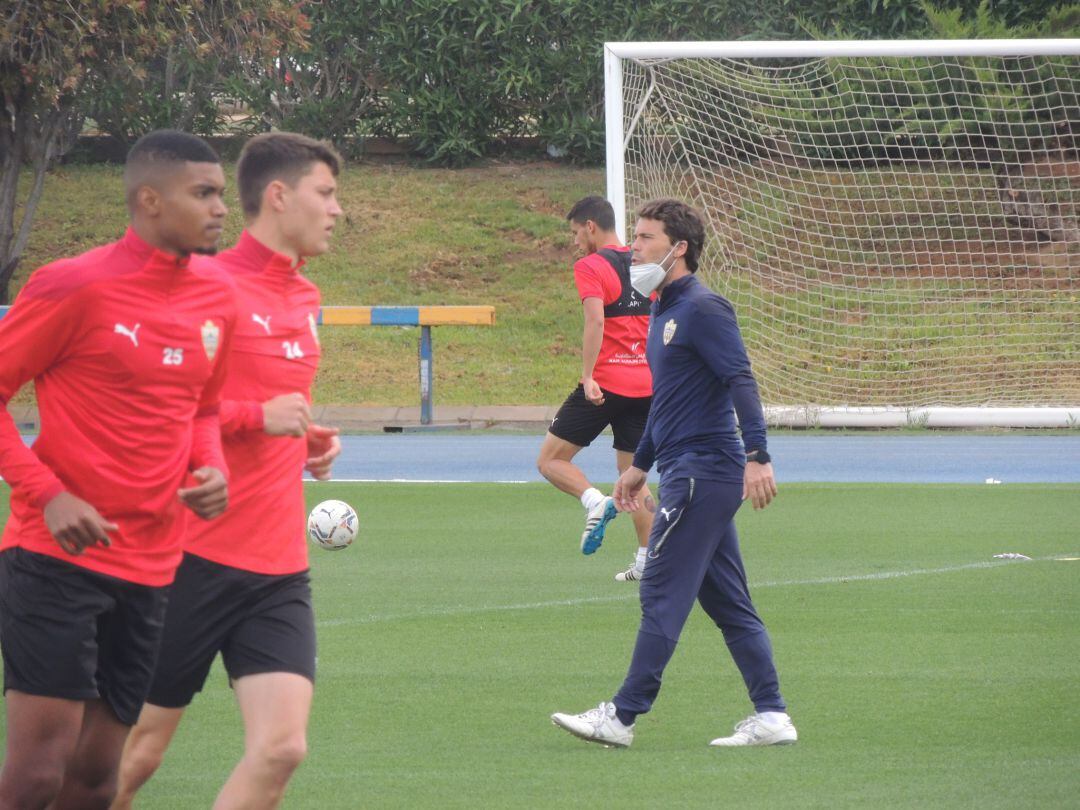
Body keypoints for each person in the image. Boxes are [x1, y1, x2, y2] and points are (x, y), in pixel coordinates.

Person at [0, 130, 236, 809]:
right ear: (150, 200)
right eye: (204, 193)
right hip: (55, 560)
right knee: (38, 773)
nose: (221, 208)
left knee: (97, 779)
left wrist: (211, 464)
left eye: (221, 193)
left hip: (152, 566)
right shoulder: (73, 285)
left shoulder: (217, 299)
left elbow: (204, 408)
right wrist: (47, 493)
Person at [111, 132, 344, 810]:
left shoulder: (306, 296)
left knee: (281, 749)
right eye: (326, 194)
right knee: (136, 753)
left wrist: (308, 442)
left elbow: (275, 407)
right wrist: (255, 417)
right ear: (279, 196)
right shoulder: (205, 285)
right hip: (189, 557)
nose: (336, 210)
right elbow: (156, 408)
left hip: (278, 568)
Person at [550, 198, 796, 748]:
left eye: (645, 238)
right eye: (634, 237)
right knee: (728, 602)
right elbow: (666, 403)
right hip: (689, 471)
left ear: (678, 248)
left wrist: (758, 454)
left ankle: (621, 717)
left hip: (703, 473)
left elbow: (740, 379)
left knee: (660, 591)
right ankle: (772, 716)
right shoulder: (662, 310)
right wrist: (639, 466)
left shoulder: (704, 308)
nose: (633, 248)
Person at [536, 195, 654, 581]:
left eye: (575, 233)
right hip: (646, 384)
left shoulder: (590, 266)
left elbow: (596, 321)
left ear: (590, 226)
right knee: (633, 475)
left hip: (606, 384)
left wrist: (588, 376)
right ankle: (647, 561)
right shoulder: (645, 262)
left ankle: (594, 502)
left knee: (550, 461)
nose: (574, 241)